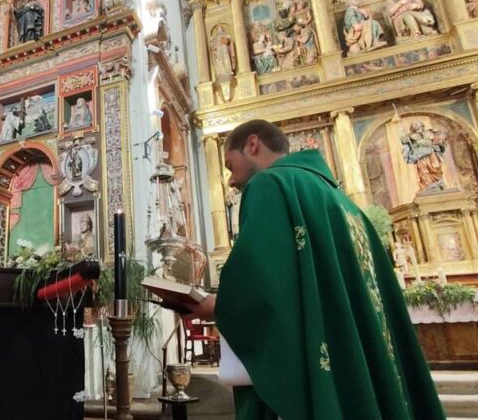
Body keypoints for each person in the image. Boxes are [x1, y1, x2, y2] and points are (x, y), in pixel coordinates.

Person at [179, 120, 444, 419]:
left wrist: (214, 306)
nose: (230, 180)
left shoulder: (271, 185)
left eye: (230, 165)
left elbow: (259, 281)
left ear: (252, 145)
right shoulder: (342, 201)